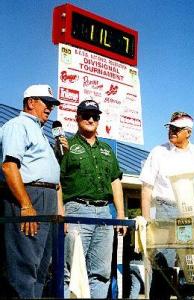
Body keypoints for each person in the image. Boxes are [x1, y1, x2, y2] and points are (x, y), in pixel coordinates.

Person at [140, 111, 194, 298]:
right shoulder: (158, 152)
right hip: (166, 210)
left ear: (188, 132)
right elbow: (146, 188)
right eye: (170, 127)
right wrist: (146, 220)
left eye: (177, 129)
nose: (172, 131)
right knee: (163, 263)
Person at [1, 84, 65, 298]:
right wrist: (26, 205)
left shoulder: (41, 132)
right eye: (46, 103)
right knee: (24, 269)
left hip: (46, 198)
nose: (50, 108)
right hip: (29, 197)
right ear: (30, 102)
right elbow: (9, 166)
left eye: (52, 105)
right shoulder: (18, 125)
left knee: (40, 269)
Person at [60, 99, 126, 298]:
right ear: (77, 117)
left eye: (95, 116)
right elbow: (57, 180)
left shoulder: (107, 149)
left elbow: (115, 182)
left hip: (105, 213)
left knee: (102, 273)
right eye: (86, 115)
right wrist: (60, 212)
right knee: (69, 271)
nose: (91, 119)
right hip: (76, 211)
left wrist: (121, 214)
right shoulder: (65, 146)